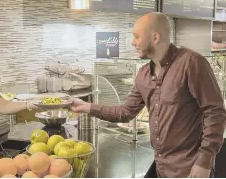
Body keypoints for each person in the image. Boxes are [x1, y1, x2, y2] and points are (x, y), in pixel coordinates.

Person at [69, 12, 226, 178]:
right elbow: (125, 112)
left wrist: (204, 162)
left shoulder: (191, 63)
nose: (132, 42)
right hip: (162, 167)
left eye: (136, 36)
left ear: (155, 37)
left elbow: (215, 112)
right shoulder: (144, 74)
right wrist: (86, 106)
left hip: (190, 168)